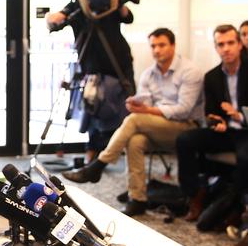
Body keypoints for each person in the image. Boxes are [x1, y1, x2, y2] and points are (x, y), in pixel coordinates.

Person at [62, 28, 204, 216]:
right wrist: (135, 103)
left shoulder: (190, 71)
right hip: (156, 126)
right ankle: (137, 199)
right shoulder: (149, 74)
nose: (157, 50)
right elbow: (145, 100)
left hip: (185, 127)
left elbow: (183, 110)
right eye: (153, 46)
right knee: (135, 140)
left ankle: (99, 165)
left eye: (162, 45)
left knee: (135, 120)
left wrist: (147, 111)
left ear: (173, 46)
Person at [46, 0, 135, 162]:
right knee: (92, 108)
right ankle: (92, 153)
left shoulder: (110, 2)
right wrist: (56, 15)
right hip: (91, 66)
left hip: (119, 64)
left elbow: (128, 17)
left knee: (127, 108)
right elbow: (53, 22)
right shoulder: (77, 5)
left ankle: (123, 151)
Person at [175, 24, 247, 223]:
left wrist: (239, 115)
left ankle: (235, 206)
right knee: (185, 140)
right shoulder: (212, 76)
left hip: (245, 131)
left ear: (240, 45)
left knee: (245, 156)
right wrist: (216, 121)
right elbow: (210, 113)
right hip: (225, 132)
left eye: (230, 43)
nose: (226, 48)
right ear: (216, 48)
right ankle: (194, 196)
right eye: (220, 44)